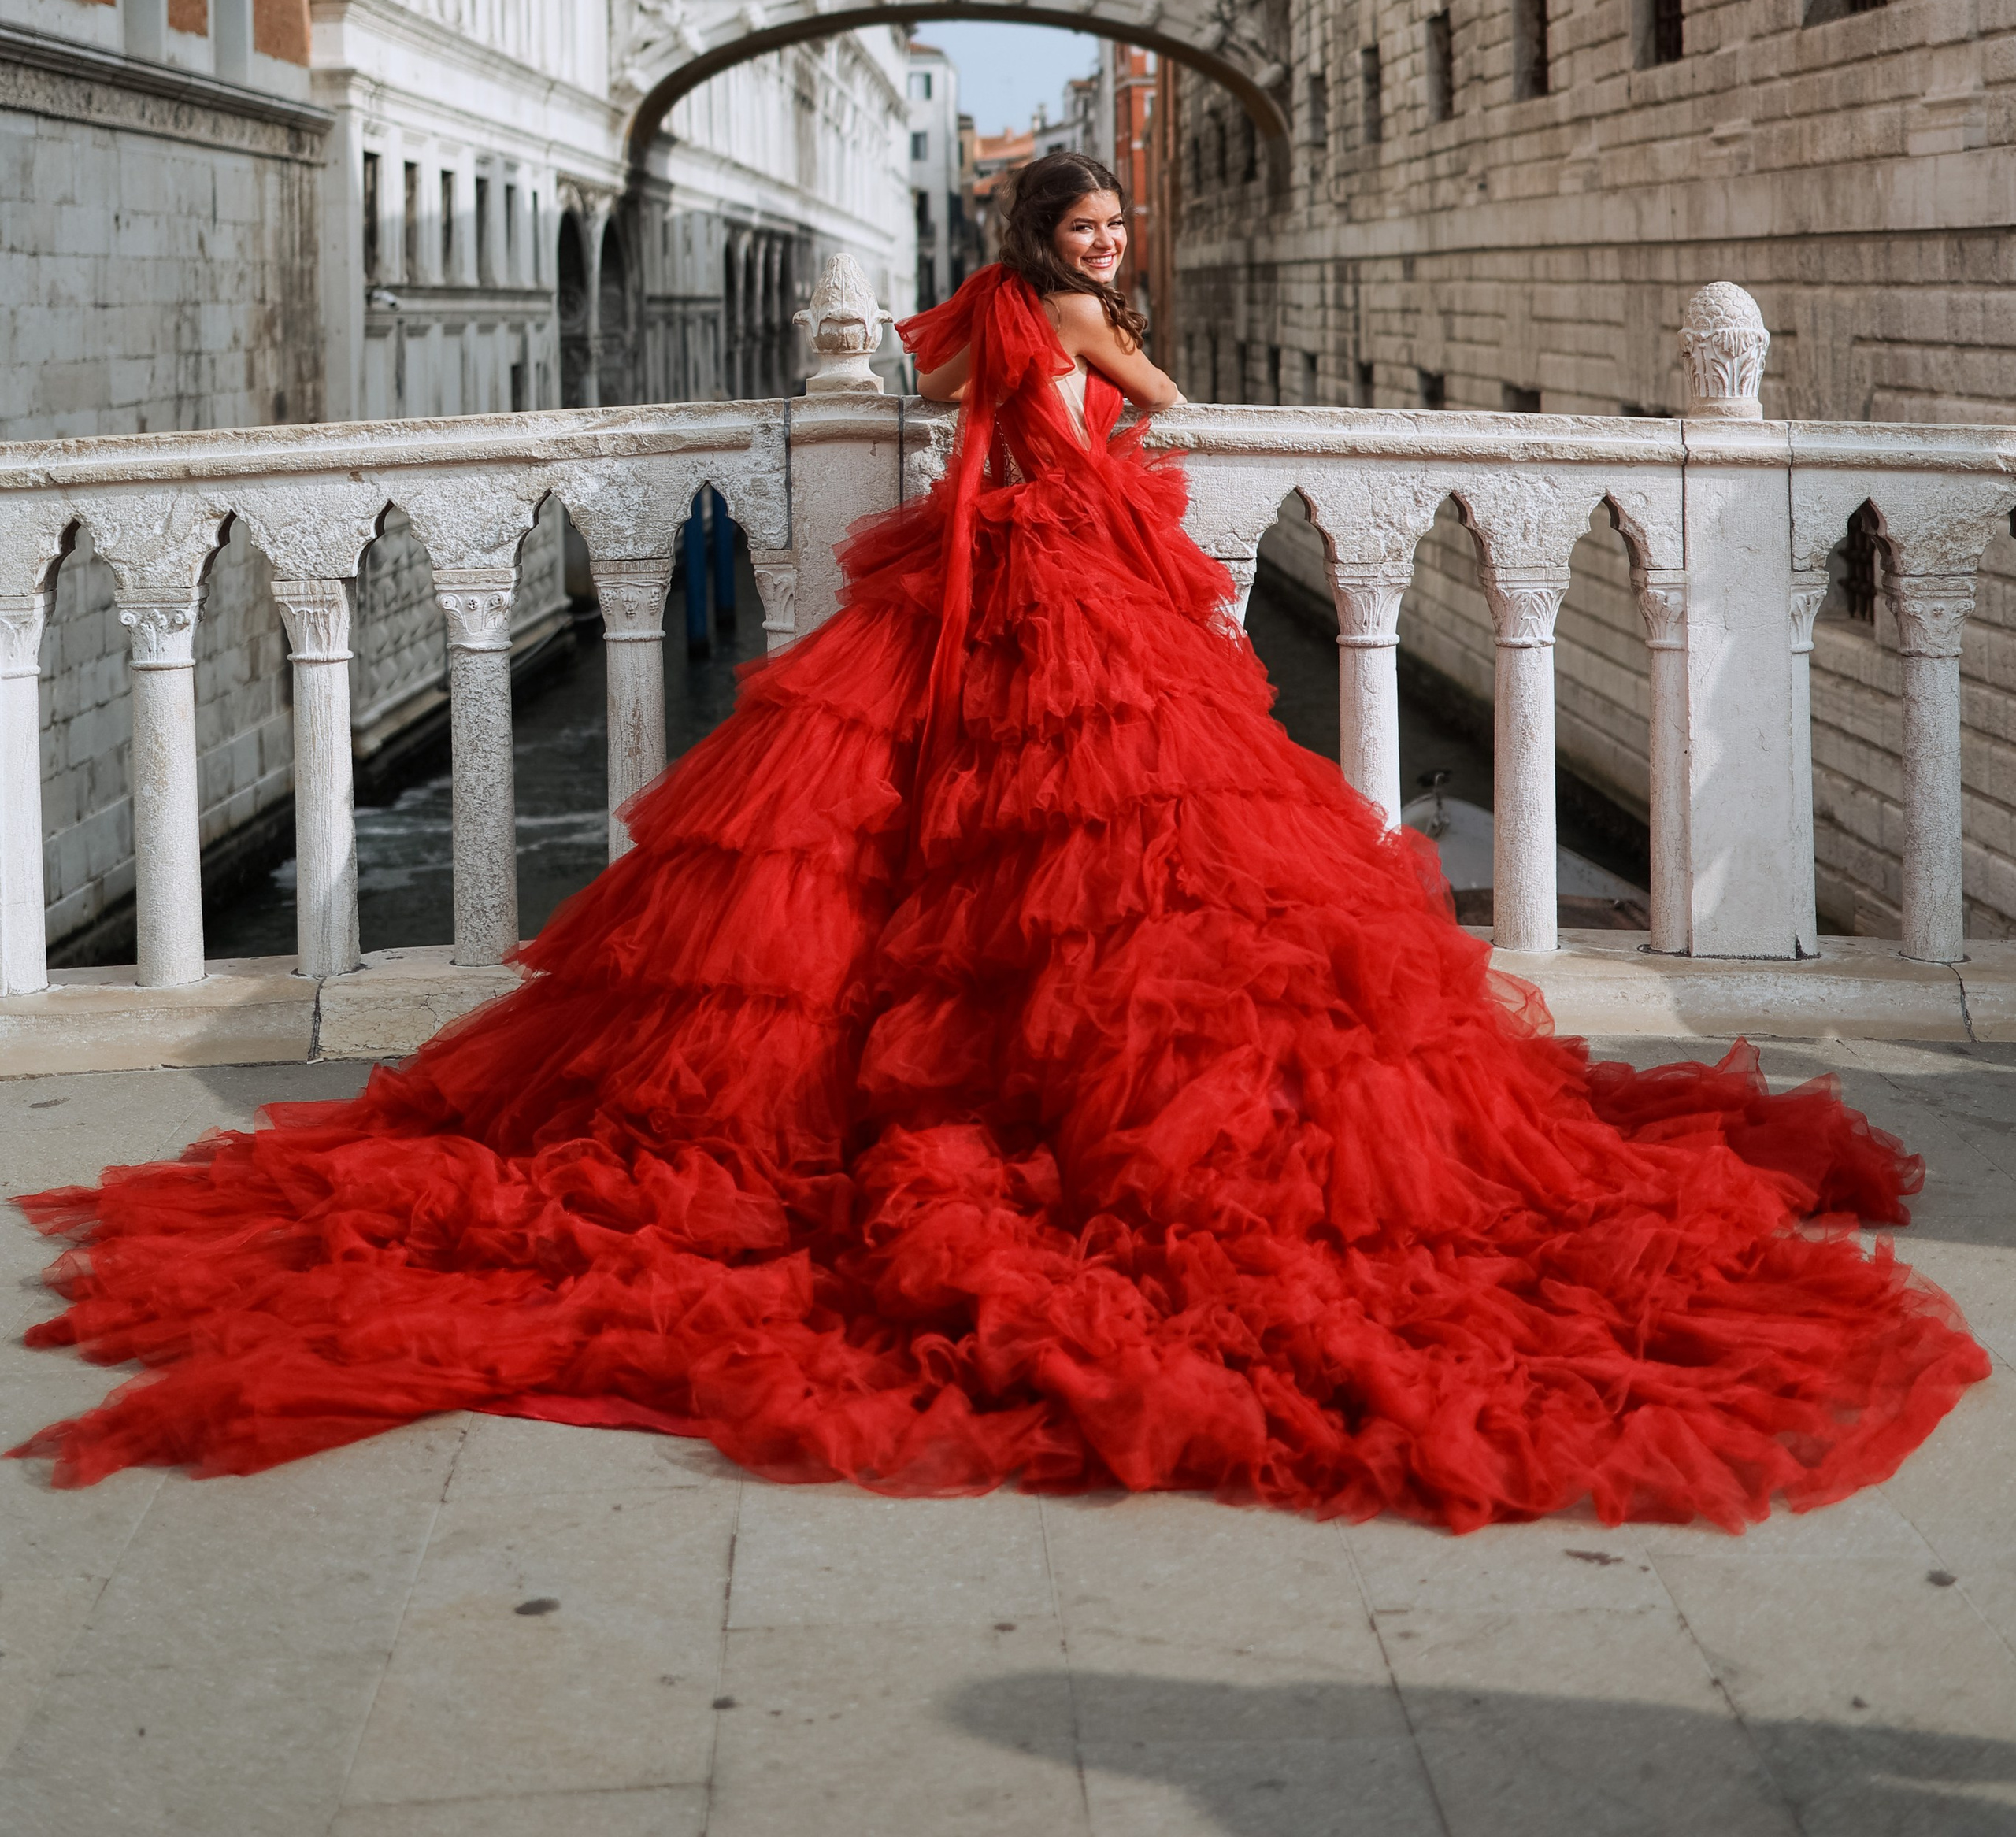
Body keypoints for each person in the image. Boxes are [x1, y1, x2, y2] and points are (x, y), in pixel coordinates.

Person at [13, 154, 1986, 1524]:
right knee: (1031, 863)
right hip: (1038, 596)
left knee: (1033, 864)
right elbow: (1110, 391)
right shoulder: (1042, 323)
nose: (1114, 241)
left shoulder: (1005, 316)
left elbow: (974, 378)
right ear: (1055, 231)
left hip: (1036, 591)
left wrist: (1030, 364)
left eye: (1118, 221)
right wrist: (1085, 376)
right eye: (1094, 222)